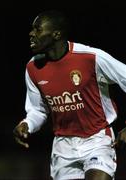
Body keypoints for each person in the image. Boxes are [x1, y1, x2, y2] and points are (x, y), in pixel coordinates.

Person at [13, 10, 126, 180]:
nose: (31, 34)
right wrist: (27, 123)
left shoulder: (91, 58)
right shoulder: (33, 67)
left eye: (37, 30)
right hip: (63, 147)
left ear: (56, 34)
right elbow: (38, 110)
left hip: (97, 139)